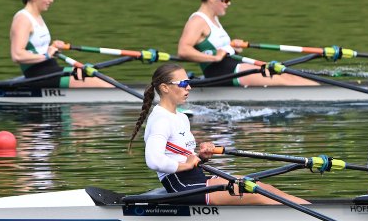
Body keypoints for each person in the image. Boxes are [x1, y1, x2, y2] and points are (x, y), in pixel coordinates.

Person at [128, 63, 308, 205]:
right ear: (165, 88)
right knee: (258, 193)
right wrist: (188, 165)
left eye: (188, 82)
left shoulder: (181, 117)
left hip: (197, 180)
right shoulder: (160, 120)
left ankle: (312, 208)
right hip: (183, 187)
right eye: (183, 83)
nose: (189, 87)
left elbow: (182, 156)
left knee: (262, 187)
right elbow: (154, 161)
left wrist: (201, 156)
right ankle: (315, 216)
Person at [176, 0, 317, 87]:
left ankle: (323, 90)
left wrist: (233, 48)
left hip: (231, 66)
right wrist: (215, 58)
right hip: (221, 73)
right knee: (283, 81)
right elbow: (183, 50)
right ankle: (326, 95)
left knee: (284, 74)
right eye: (225, 0)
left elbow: (216, 48)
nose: (228, 3)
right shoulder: (197, 21)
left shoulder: (214, 19)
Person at [10, 0, 111, 88]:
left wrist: (53, 47)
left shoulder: (37, 16)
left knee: (105, 79)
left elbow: (36, 49)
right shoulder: (22, 19)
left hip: (50, 70)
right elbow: (17, 55)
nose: (51, 0)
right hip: (39, 75)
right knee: (105, 85)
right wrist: (47, 55)